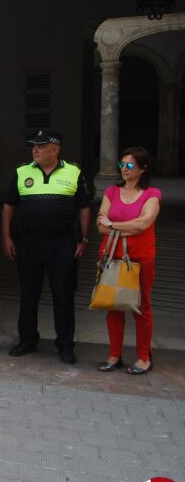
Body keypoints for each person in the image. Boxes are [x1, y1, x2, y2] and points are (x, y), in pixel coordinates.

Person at [2, 128, 91, 365]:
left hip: (62, 243)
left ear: (55, 149)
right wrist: (7, 238)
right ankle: (28, 340)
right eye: (34, 146)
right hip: (29, 242)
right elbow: (9, 207)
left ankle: (65, 345)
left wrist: (83, 238)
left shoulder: (74, 172)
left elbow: (83, 207)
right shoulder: (22, 172)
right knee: (28, 294)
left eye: (40, 146)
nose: (35, 150)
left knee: (63, 295)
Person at [95, 147, 161, 376]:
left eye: (130, 165)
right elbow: (100, 225)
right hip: (112, 255)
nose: (124, 169)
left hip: (140, 258)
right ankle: (115, 354)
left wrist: (113, 225)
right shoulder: (112, 191)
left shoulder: (152, 194)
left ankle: (144, 357)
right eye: (122, 164)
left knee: (141, 306)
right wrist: (119, 227)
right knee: (113, 305)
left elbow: (144, 224)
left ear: (143, 169)